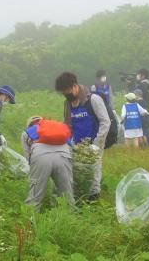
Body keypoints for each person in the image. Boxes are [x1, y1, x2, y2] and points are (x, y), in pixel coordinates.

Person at [55, 72, 111, 202]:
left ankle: (94, 199)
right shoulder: (67, 104)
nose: (66, 94)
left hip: (94, 143)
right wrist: (68, 142)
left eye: (67, 91)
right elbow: (67, 124)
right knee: (78, 171)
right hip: (77, 144)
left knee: (94, 171)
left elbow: (105, 121)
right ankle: (81, 198)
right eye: (63, 92)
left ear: (75, 86)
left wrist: (97, 144)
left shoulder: (93, 99)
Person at [21, 116, 74, 211]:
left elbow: (28, 156)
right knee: (66, 191)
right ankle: (68, 215)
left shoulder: (28, 131)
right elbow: (70, 148)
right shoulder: (59, 128)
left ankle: (30, 219)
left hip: (41, 156)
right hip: (64, 155)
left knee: (35, 192)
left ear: (29, 125)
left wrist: (34, 168)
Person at [132, 68, 149, 145]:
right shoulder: (146, 84)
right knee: (145, 126)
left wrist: (131, 85)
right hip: (145, 107)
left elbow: (136, 94)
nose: (137, 76)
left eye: (138, 74)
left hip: (143, 108)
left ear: (143, 75)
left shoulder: (143, 85)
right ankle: (146, 144)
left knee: (145, 127)